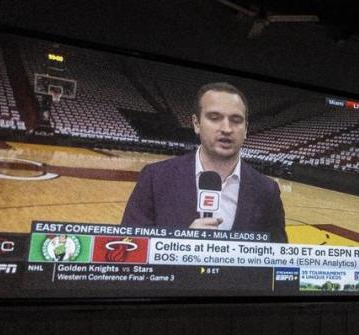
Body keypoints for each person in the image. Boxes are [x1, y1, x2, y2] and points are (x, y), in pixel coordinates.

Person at [121, 82, 287, 242]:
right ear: (196, 124)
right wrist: (181, 244)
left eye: (236, 120)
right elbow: (128, 248)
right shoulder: (155, 178)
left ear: (246, 129)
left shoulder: (266, 190)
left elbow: (276, 261)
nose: (227, 129)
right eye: (215, 118)